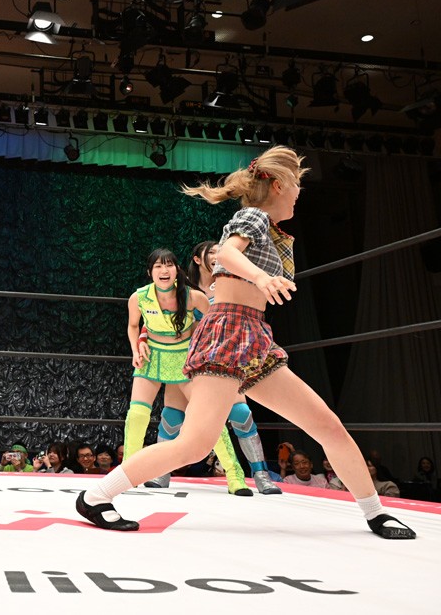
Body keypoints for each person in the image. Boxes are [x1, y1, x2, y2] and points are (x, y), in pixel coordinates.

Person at [76, 146, 416, 539]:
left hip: (253, 337)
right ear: (278, 185)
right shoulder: (253, 216)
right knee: (195, 444)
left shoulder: (269, 228)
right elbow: (227, 252)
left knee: (327, 425)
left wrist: (261, 280)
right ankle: (96, 496)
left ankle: (376, 513)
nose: (299, 193)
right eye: (297, 184)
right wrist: (261, 278)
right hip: (228, 334)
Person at [126, 248, 253, 495]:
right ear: (150, 272)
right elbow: (133, 325)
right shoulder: (139, 297)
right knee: (137, 414)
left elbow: (214, 324)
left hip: (186, 357)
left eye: (169, 265)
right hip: (152, 356)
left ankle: (235, 475)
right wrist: (136, 347)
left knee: (207, 416)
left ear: (177, 270)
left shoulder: (193, 297)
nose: (164, 270)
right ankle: (127, 474)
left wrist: (209, 353)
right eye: (158, 266)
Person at [179, 240, 282, 494]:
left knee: (241, 414)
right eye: (211, 252)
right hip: (198, 360)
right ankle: (159, 474)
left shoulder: (229, 280)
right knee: (184, 420)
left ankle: (260, 474)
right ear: (197, 259)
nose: (217, 256)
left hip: (230, 356)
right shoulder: (186, 292)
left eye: (219, 251)